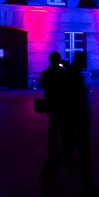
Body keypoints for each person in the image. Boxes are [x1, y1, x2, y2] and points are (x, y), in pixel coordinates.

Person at [63, 51, 99, 197]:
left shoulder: (71, 72)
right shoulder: (74, 74)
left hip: (74, 117)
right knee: (83, 152)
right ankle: (87, 185)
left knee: (71, 147)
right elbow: (76, 97)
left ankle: (86, 183)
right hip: (78, 118)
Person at [37, 51, 66, 186]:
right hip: (61, 103)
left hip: (51, 102)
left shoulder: (46, 73)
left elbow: (43, 84)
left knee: (53, 127)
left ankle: (53, 149)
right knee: (64, 127)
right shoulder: (61, 73)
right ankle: (63, 150)